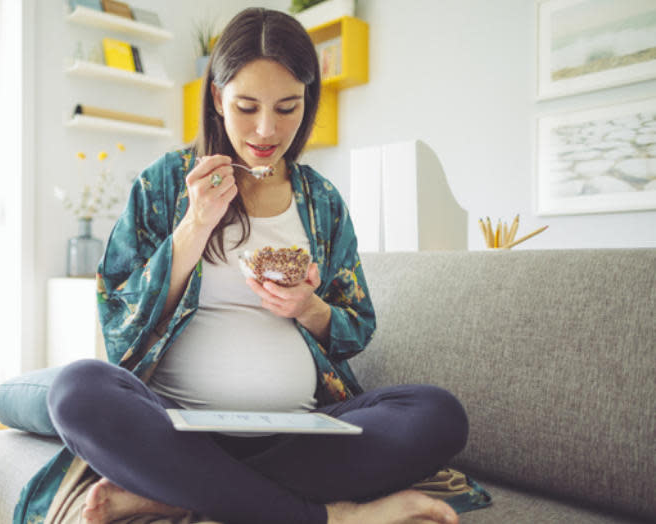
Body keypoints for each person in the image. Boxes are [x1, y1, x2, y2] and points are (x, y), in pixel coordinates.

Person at [44, 8, 469, 524]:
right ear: (218, 99)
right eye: (247, 106)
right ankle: (332, 517)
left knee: (437, 414)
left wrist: (309, 308)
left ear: (307, 102)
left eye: (288, 107)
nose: (267, 129)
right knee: (77, 391)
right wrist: (196, 224)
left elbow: (356, 329)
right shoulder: (165, 184)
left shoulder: (321, 201)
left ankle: (179, 493)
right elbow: (119, 324)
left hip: (299, 432)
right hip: (175, 428)